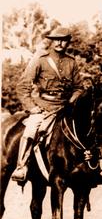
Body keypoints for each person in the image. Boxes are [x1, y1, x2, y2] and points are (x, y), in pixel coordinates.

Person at [12, 27, 84, 183]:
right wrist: (32, 107)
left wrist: (71, 102)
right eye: (56, 39)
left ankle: (92, 168)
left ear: (67, 42)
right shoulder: (40, 59)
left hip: (65, 107)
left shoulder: (71, 62)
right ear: (51, 41)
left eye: (63, 40)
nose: (59, 43)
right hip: (43, 106)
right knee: (32, 128)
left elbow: (79, 88)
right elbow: (23, 86)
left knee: (86, 128)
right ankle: (22, 166)